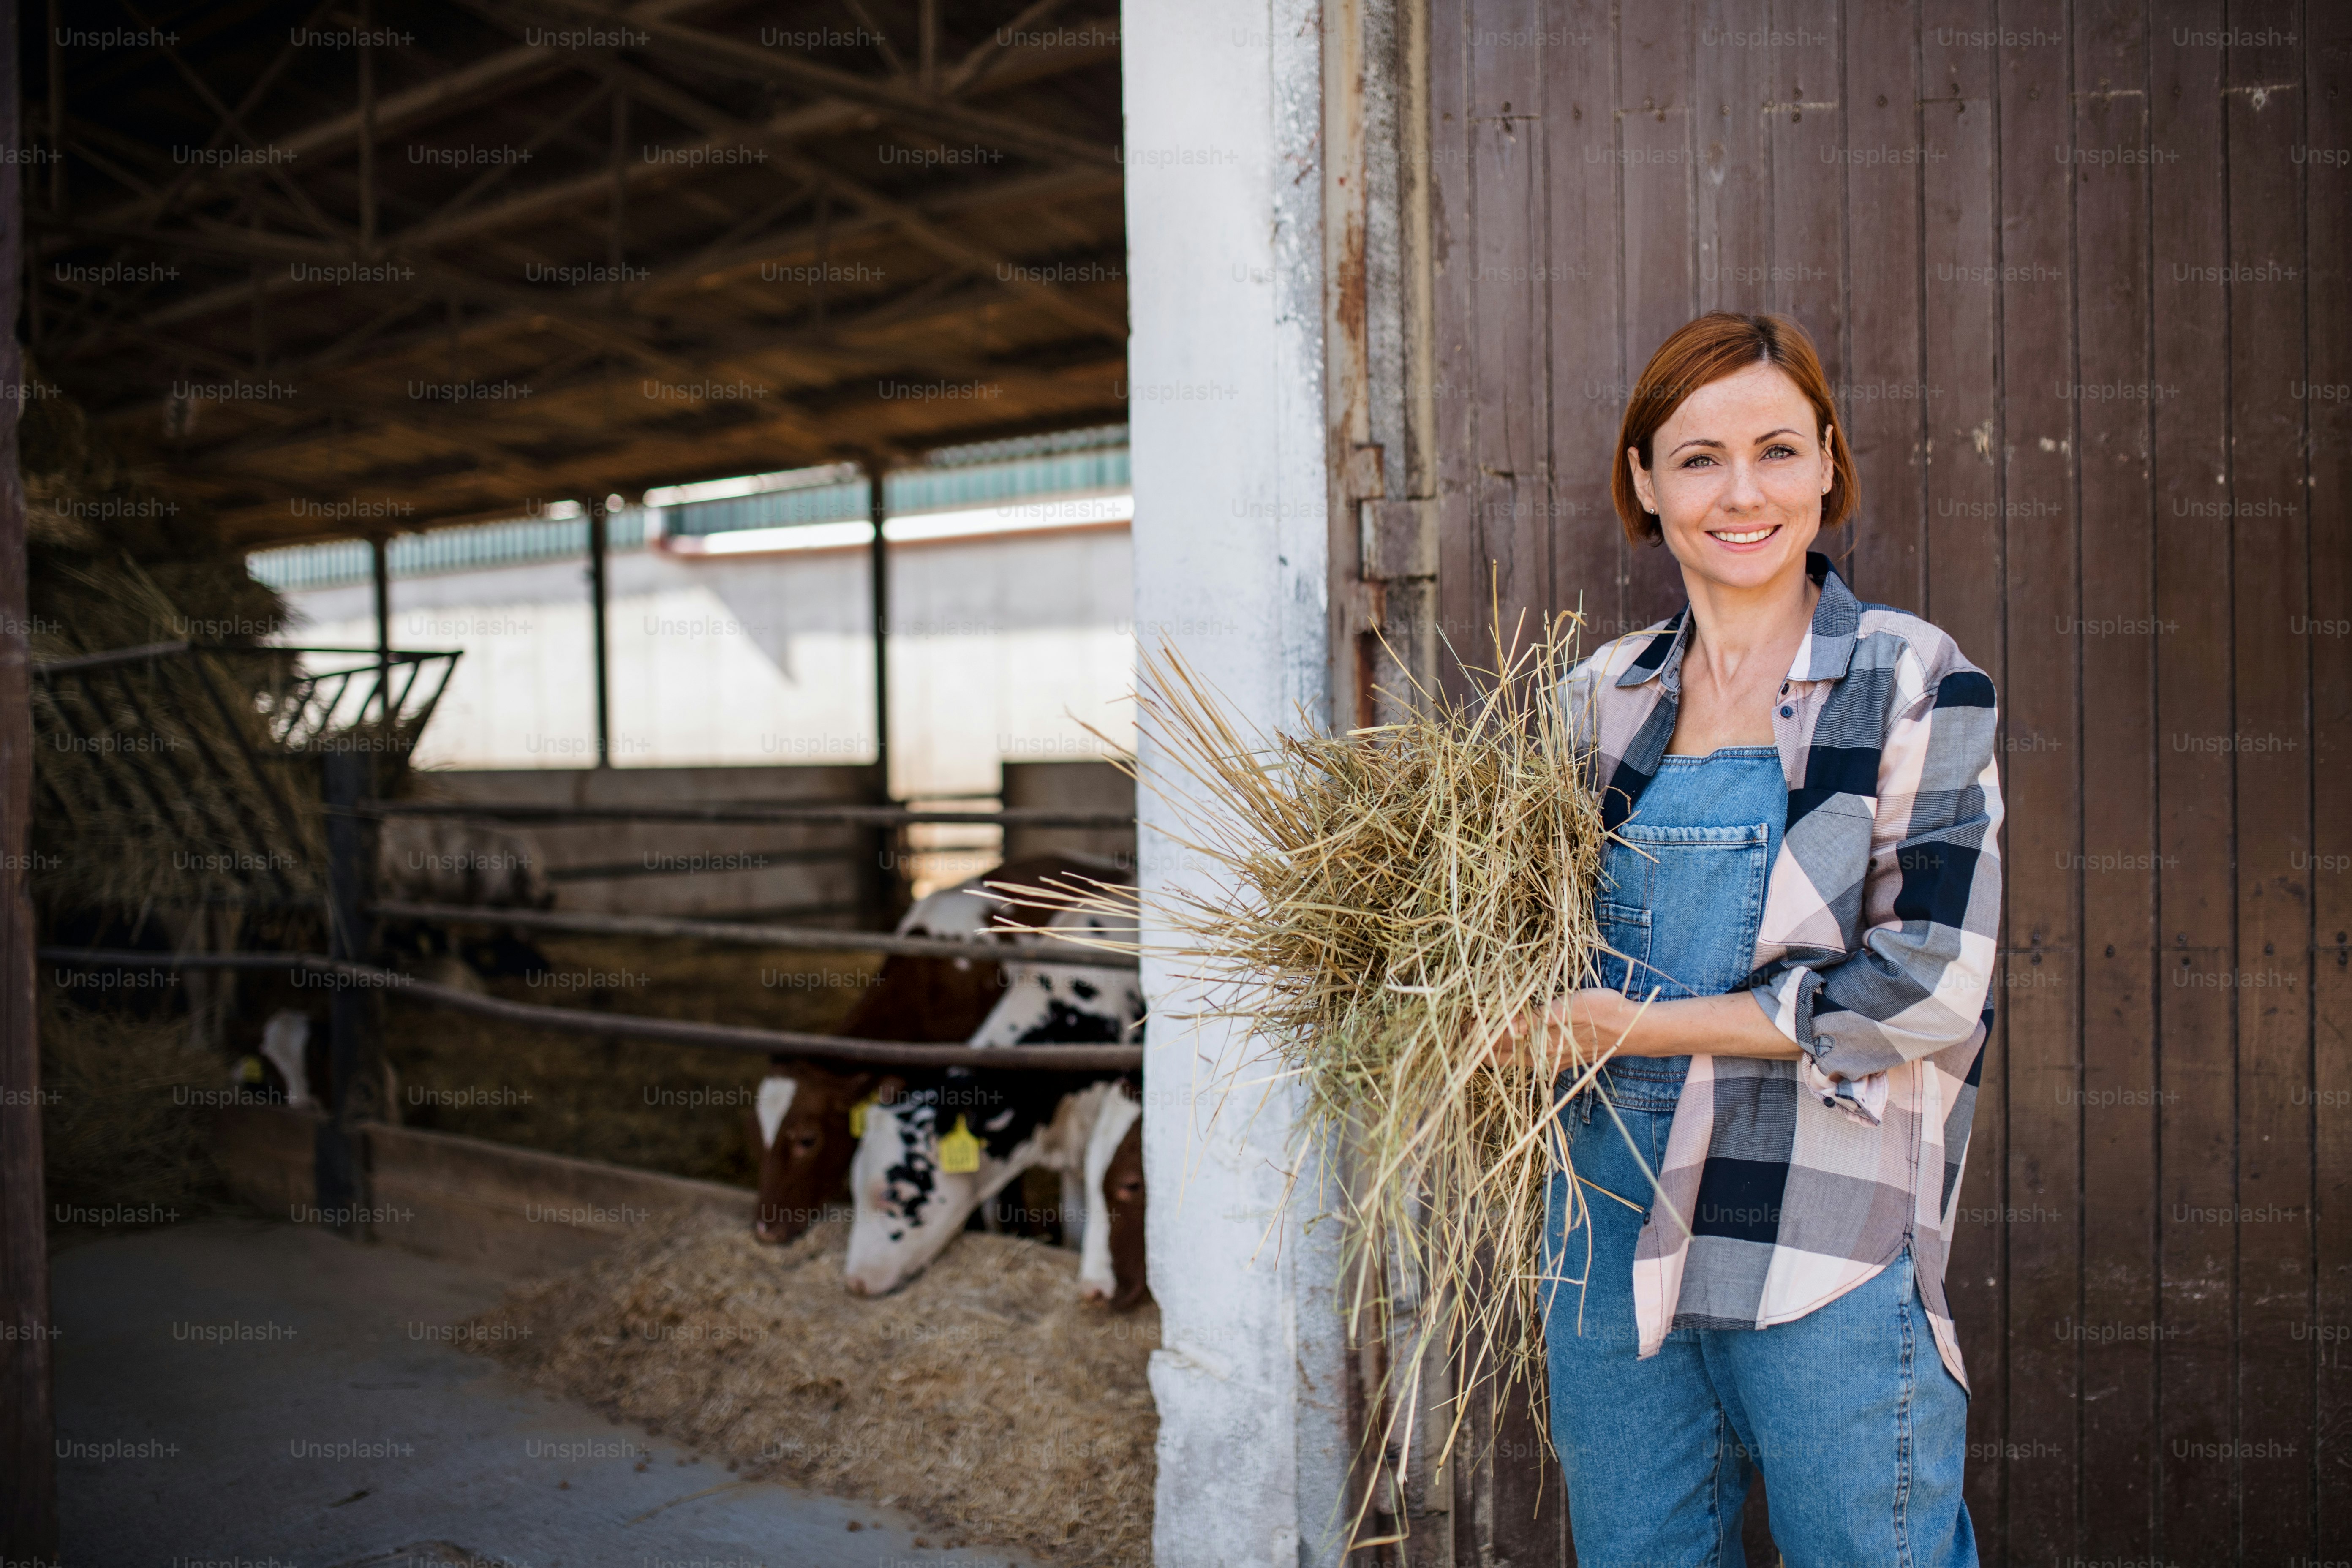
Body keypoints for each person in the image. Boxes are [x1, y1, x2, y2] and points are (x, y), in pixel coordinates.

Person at [1492, 311, 2002, 1566]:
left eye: (1778, 450)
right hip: (1604, 1222)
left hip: (1816, 1227)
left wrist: (1637, 1028)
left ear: (1828, 464)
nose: (1742, 493)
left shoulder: (1911, 680)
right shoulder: (1595, 701)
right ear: (1645, 483)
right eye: (1698, 458)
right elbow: (1515, 939)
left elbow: (1933, 983)